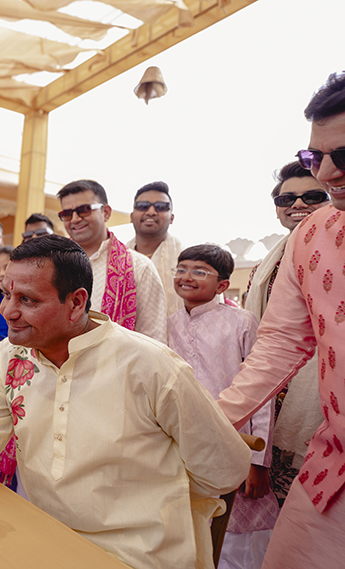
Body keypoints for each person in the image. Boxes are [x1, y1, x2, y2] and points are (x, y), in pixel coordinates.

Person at [0, 234, 250, 569]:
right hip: (43, 538)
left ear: (76, 303)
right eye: (7, 295)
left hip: (137, 554)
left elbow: (224, 469)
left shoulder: (150, 365)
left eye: (28, 300)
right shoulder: (9, 356)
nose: (8, 311)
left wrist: (155, 500)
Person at [217, 72, 345, 569]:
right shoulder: (313, 236)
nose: (327, 174)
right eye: (316, 157)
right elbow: (279, 343)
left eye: (343, 156)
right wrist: (213, 420)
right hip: (333, 463)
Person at [167, 245, 277, 568]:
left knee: (236, 537)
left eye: (199, 271)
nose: (187, 276)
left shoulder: (241, 322)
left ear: (222, 285)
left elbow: (262, 392)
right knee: (191, 526)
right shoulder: (170, 323)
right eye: (181, 269)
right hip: (184, 445)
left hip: (237, 443)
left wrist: (258, 462)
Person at [246, 161, 328, 507]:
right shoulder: (266, 266)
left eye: (312, 196)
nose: (297, 204)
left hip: (326, 402)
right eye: (286, 199)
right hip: (273, 403)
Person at [57, 179, 167, 342]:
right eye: (67, 214)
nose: (75, 219)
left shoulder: (139, 266)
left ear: (106, 212)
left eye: (84, 210)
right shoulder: (53, 264)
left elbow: (153, 338)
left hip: (119, 358)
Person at [127, 181, 184, 317]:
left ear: (172, 218)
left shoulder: (188, 260)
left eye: (161, 207)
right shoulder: (117, 259)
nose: (151, 212)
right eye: (143, 206)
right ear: (131, 217)